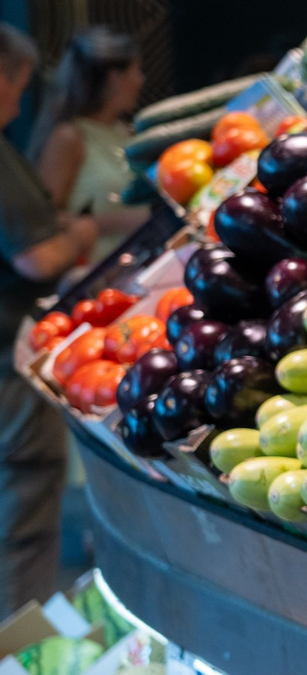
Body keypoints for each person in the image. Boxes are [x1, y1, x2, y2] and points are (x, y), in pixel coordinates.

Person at [0, 23, 98, 616]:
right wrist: (82, 235)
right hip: (5, 369)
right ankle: (17, 651)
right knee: (23, 516)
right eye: (17, 85)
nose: (18, 101)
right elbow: (36, 254)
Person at [29, 27, 146, 267]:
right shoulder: (69, 137)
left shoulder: (125, 131)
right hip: (96, 279)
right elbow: (46, 221)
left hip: (138, 266)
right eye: (137, 70)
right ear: (114, 78)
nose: (141, 80)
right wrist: (121, 222)